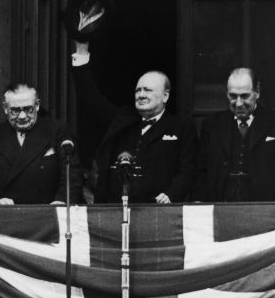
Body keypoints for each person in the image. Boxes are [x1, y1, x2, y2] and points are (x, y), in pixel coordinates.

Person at [71, 41, 197, 204]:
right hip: (114, 208)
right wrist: (81, 54)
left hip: (159, 211)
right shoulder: (123, 119)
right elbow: (91, 100)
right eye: (138, 90)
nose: (141, 95)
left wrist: (172, 194)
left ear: (165, 96)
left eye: (148, 90)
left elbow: (187, 170)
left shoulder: (181, 128)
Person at [193, 67, 275, 202]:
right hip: (220, 206)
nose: (238, 103)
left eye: (245, 96)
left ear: (257, 92)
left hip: (264, 207)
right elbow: (200, 170)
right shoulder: (212, 124)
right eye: (233, 96)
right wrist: (199, 201)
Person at [0, 83, 83, 205]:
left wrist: (61, 200)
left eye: (28, 109)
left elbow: (72, 173)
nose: (22, 116)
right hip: (5, 215)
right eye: (15, 110)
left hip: (48, 213)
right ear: (5, 108)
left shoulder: (57, 131)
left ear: (37, 105)